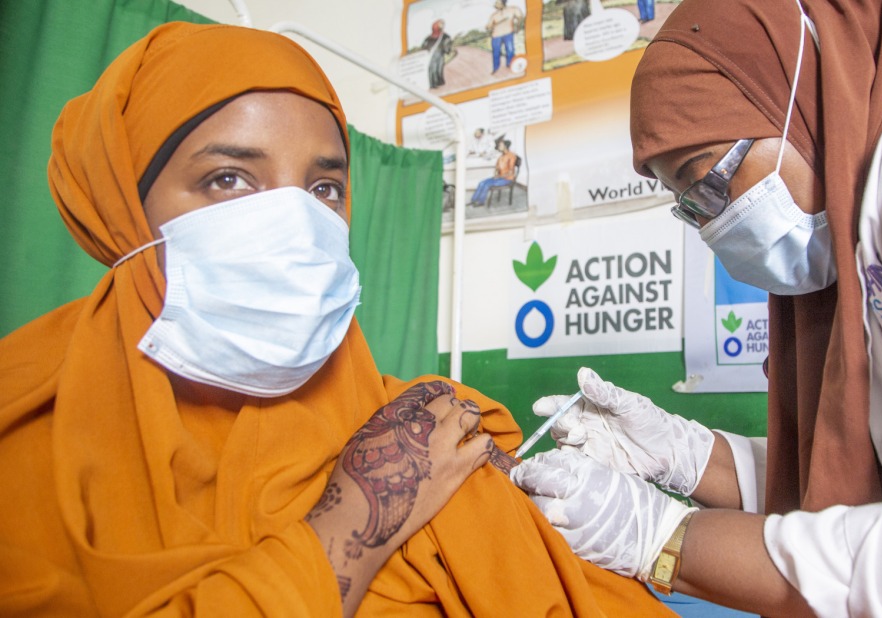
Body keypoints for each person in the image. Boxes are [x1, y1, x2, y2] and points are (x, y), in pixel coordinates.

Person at [0, 22, 675, 617]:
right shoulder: (24, 432)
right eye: (229, 179)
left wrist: (670, 515)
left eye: (324, 189)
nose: (294, 222)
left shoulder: (426, 424)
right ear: (124, 208)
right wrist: (359, 516)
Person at [510, 0, 882, 616]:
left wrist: (662, 539)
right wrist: (683, 455)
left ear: (804, 100)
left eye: (705, 182)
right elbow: (878, 475)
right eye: (687, 205)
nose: (710, 225)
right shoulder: (870, 216)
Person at [470, 137, 519, 206]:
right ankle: (473, 200)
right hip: (499, 177)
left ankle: (481, 202)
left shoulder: (511, 156)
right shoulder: (501, 157)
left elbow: (510, 172)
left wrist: (499, 176)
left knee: (486, 185)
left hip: (507, 179)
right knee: (481, 183)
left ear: (505, 146)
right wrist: (496, 174)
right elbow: (497, 168)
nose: (498, 147)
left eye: (500, 145)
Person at [486, 0, 523, 73]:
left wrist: (518, 26)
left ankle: (510, 64)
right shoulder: (494, 15)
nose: (496, 4)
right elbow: (489, 26)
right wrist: (489, 27)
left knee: (510, 50)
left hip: (508, 33)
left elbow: (520, 16)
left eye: (498, 3)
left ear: (503, 3)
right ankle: (495, 68)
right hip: (496, 35)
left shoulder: (512, 9)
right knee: (496, 52)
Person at [421, 19, 454, 89]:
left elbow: (447, 45)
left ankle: (439, 82)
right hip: (432, 57)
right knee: (433, 69)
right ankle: (433, 84)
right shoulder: (428, 39)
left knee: (439, 68)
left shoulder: (445, 36)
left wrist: (447, 50)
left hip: (439, 55)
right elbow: (424, 48)